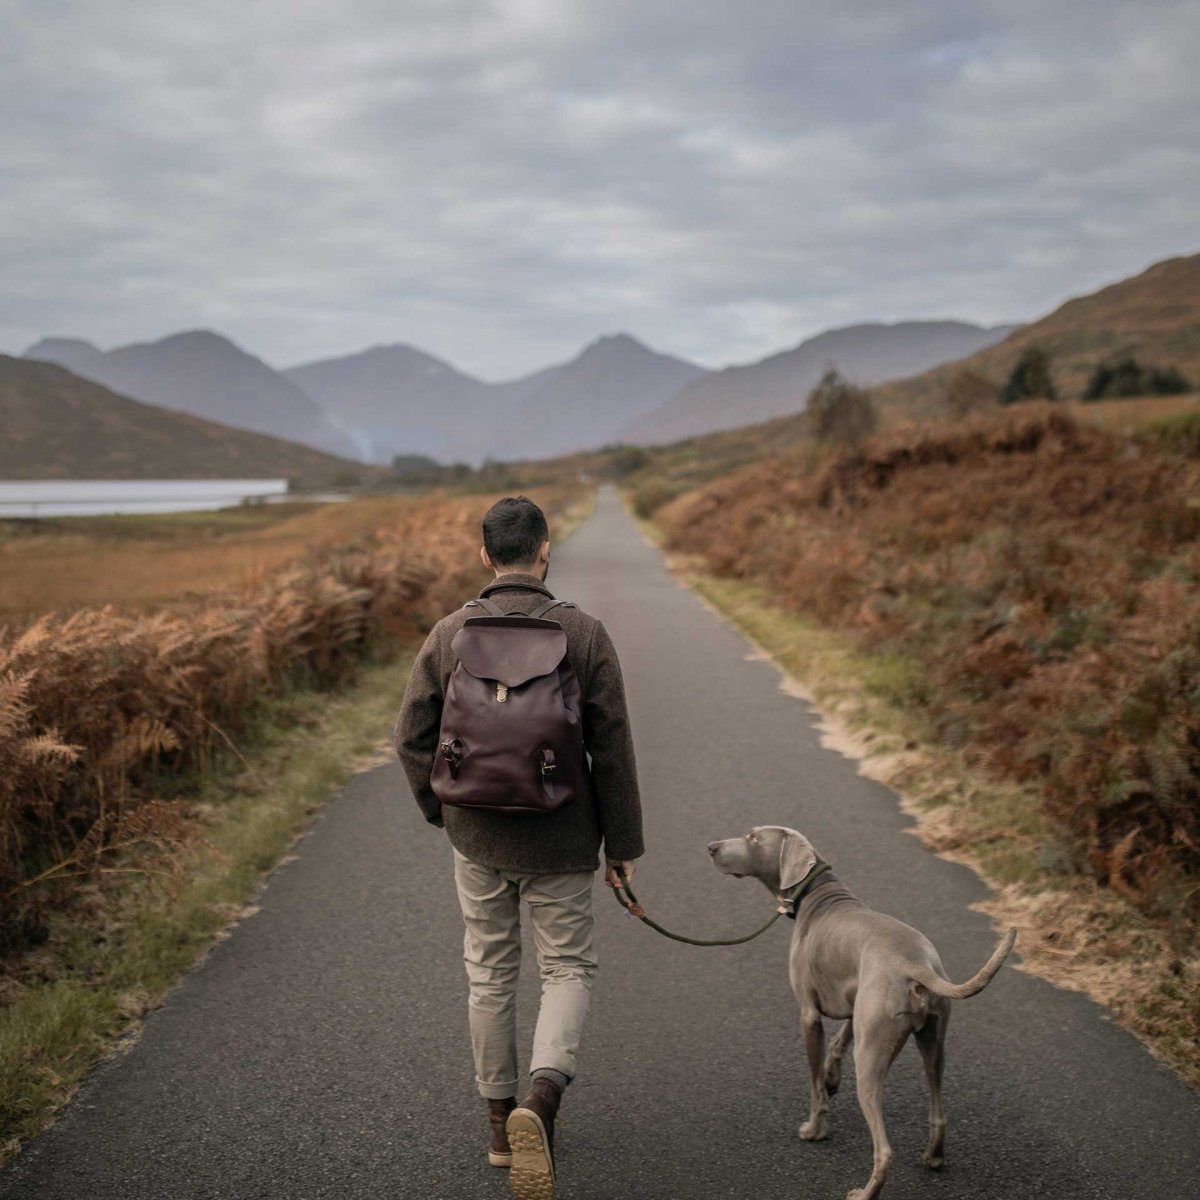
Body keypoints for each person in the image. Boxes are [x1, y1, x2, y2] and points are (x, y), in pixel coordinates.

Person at [392, 494, 643, 1200]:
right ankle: (544, 1099)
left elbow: (409, 737)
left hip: (477, 835)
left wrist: (442, 813)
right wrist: (621, 845)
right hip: (562, 835)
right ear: (544, 551)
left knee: (490, 971)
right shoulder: (585, 634)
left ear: (484, 556)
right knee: (565, 968)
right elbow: (613, 750)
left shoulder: (448, 633)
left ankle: (502, 1127)